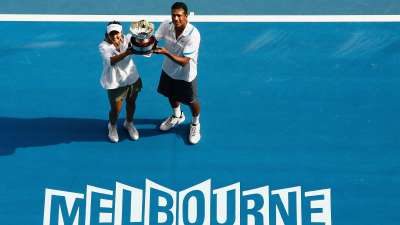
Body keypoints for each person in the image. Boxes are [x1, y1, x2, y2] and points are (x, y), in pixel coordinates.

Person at [153, 2, 202, 144]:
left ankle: (195, 123)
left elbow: (184, 61)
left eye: (179, 15)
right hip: (168, 70)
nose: (175, 18)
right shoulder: (166, 25)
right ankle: (177, 116)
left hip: (186, 74)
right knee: (170, 94)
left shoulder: (193, 35)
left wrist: (165, 52)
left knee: (191, 101)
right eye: (173, 15)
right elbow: (154, 39)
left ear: (186, 16)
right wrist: (143, 44)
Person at [98, 21, 142, 143]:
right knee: (116, 109)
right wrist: (127, 52)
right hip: (115, 83)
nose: (114, 37)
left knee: (131, 103)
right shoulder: (103, 46)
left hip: (132, 78)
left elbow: (141, 44)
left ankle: (129, 123)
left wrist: (143, 39)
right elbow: (111, 61)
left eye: (117, 33)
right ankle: (112, 126)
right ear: (107, 35)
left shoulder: (128, 39)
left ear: (121, 33)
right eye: (111, 34)